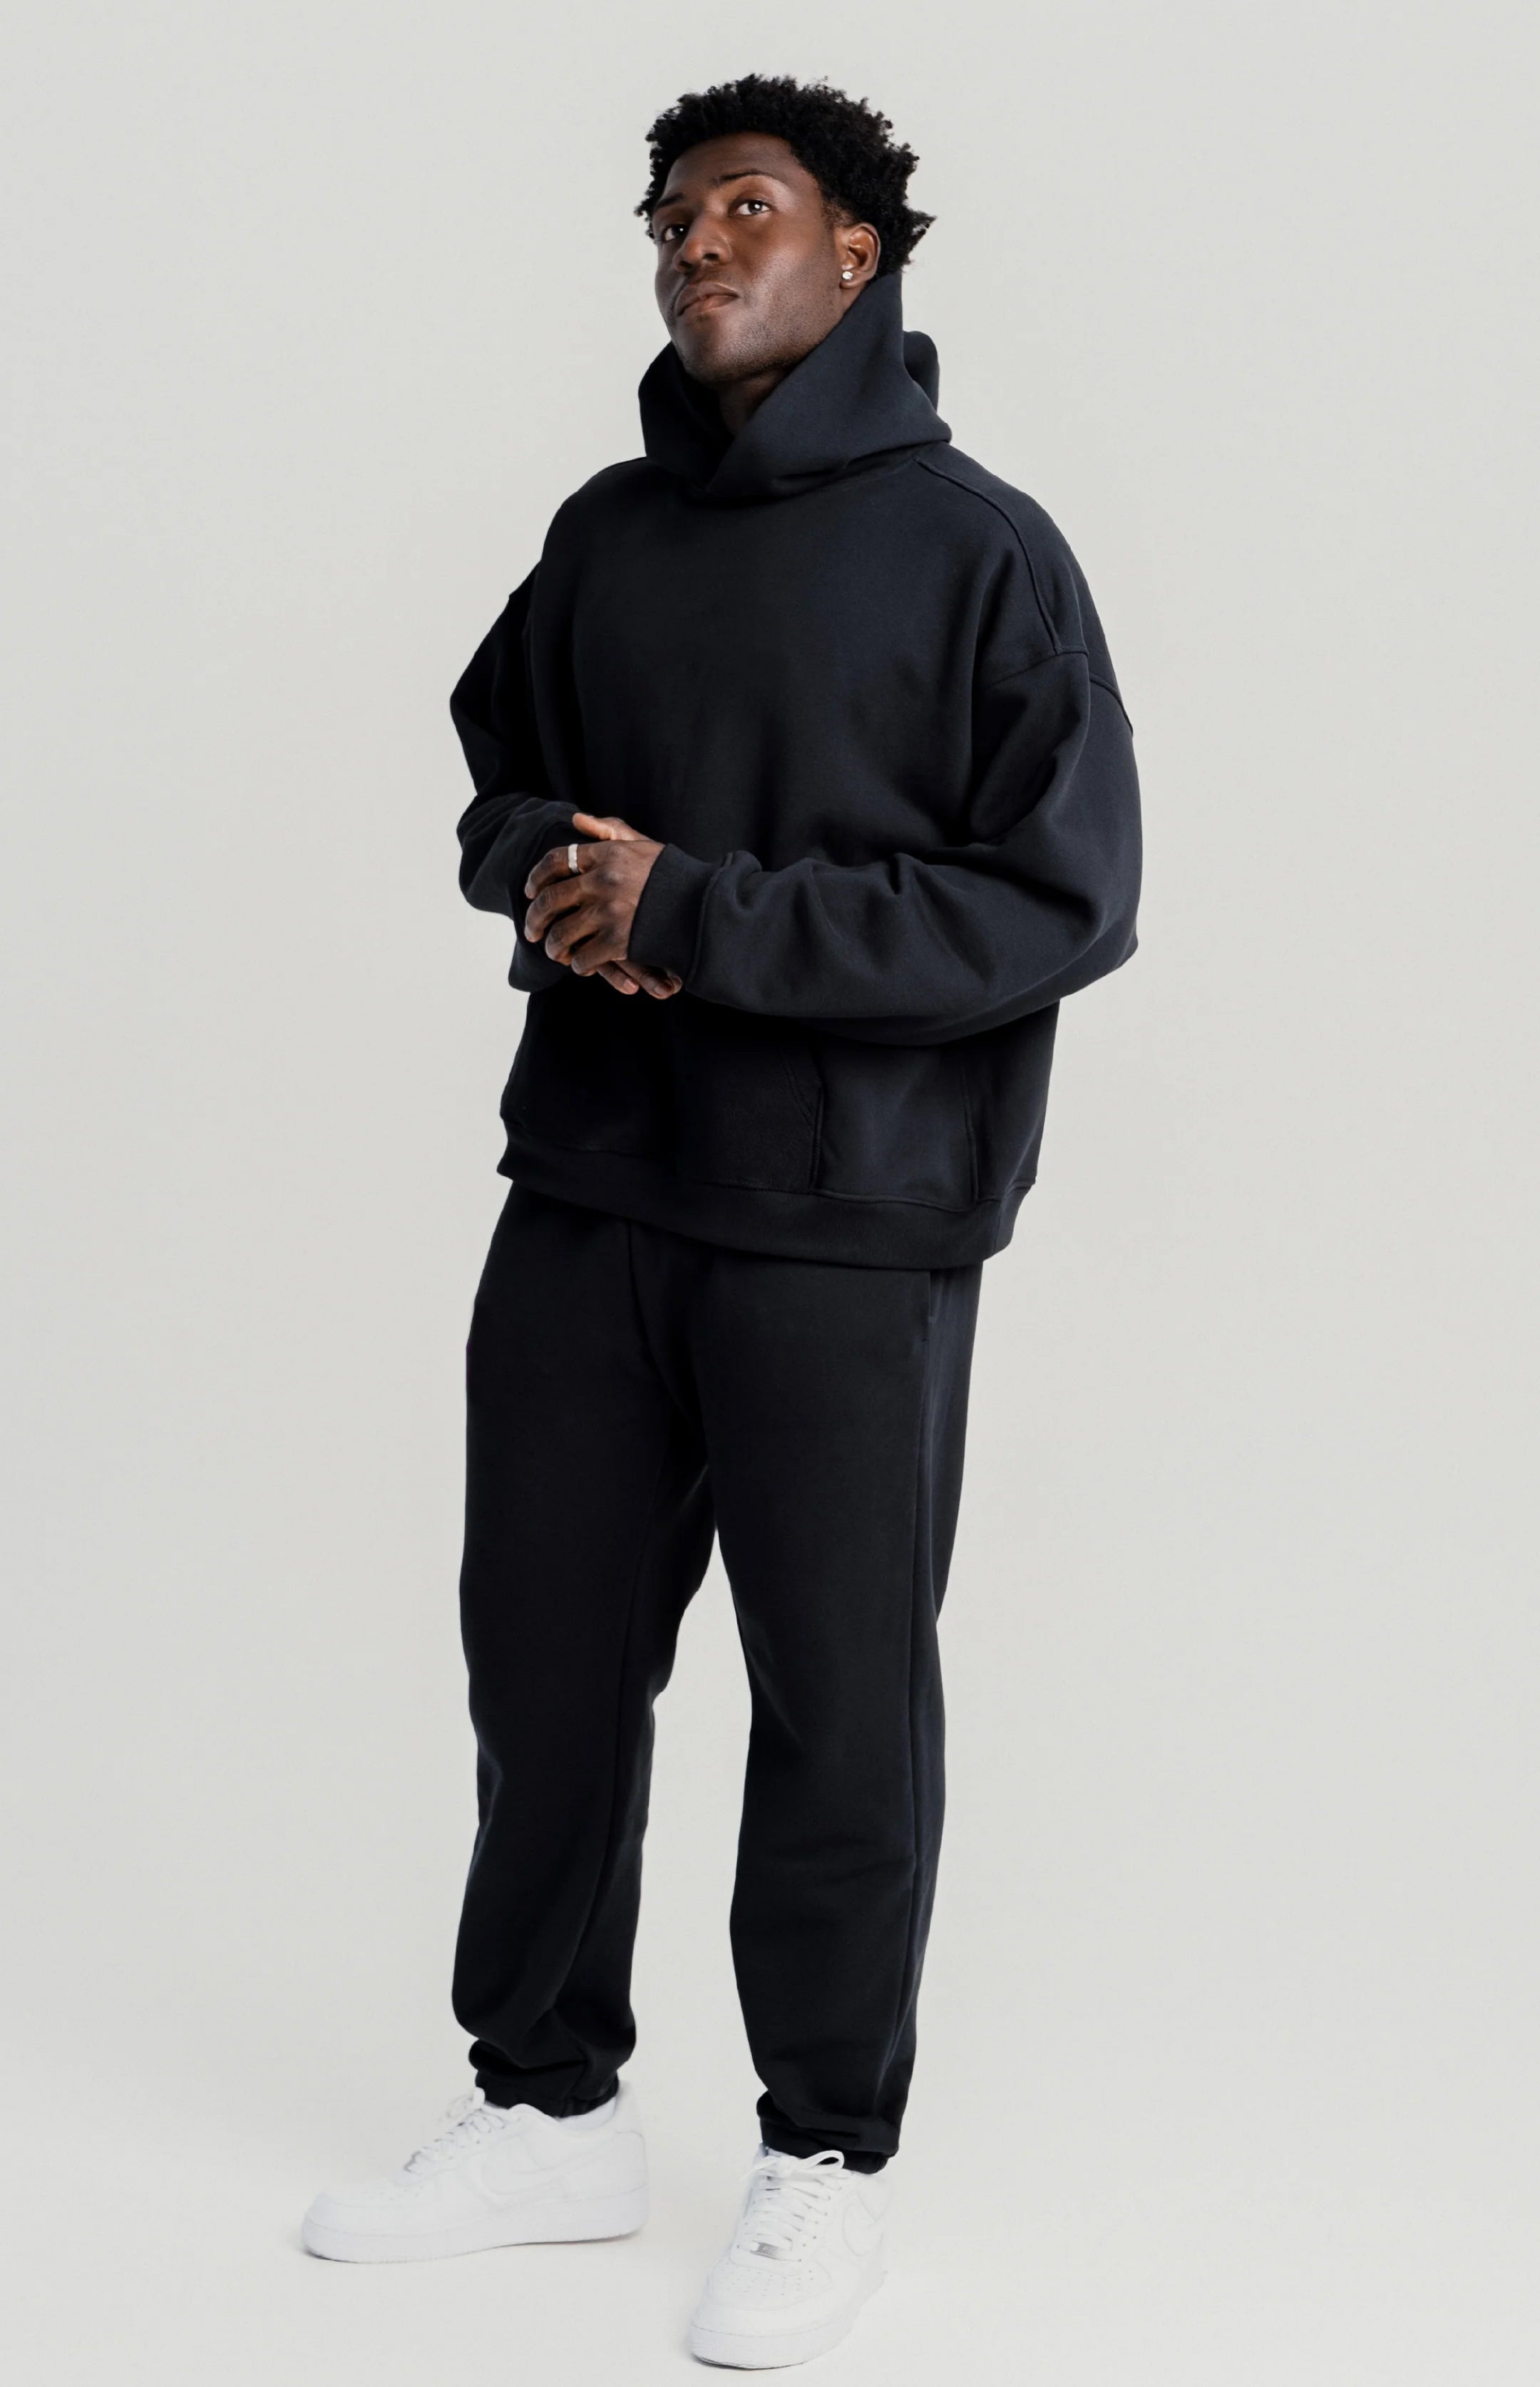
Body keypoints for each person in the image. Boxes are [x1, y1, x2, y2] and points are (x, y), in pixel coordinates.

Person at [302, 71, 1141, 2369]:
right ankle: (546, 2104)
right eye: (670, 217)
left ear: (859, 250)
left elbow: (1058, 900)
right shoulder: (608, 533)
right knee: (544, 1661)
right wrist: (554, 880)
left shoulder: (982, 554)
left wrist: (706, 914)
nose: (694, 243)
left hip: (851, 1223)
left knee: (838, 1700)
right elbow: (498, 777)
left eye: (744, 207)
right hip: (589, 1190)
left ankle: (825, 2155)